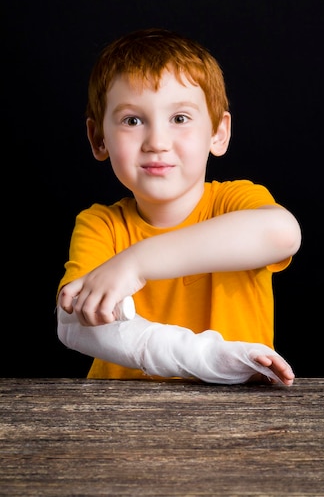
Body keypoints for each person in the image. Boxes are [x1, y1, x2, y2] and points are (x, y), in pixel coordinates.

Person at [57, 27, 302, 386]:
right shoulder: (101, 225)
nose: (157, 142)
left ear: (218, 133)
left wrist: (137, 262)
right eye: (132, 120)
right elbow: (75, 326)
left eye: (180, 118)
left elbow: (282, 234)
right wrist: (204, 358)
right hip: (119, 420)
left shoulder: (235, 203)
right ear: (98, 139)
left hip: (237, 418)